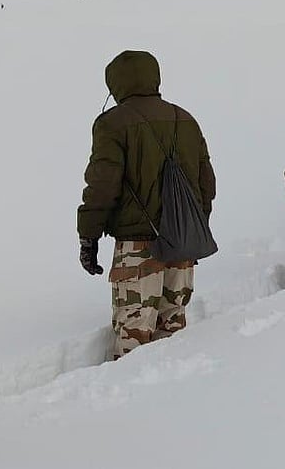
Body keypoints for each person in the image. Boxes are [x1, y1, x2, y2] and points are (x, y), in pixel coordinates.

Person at [77, 50, 215, 359]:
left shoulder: (113, 124)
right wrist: (193, 229)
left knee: (133, 339)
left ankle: (132, 406)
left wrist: (89, 236)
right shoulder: (185, 119)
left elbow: (102, 185)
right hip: (181, 244)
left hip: (138, 247)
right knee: (173, 335)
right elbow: (206, 184)